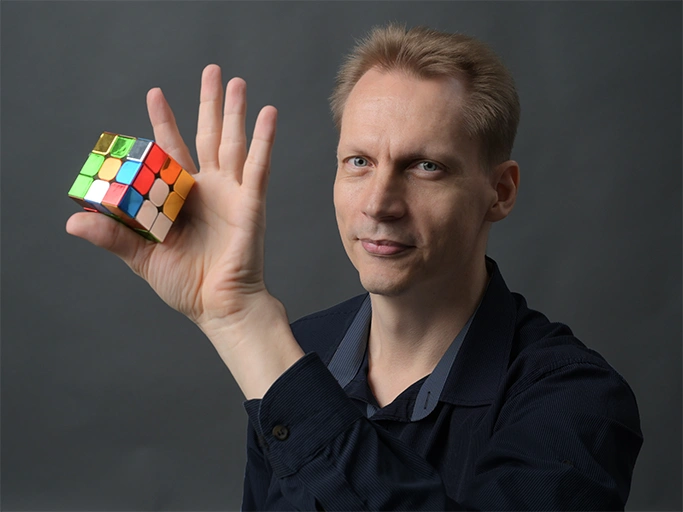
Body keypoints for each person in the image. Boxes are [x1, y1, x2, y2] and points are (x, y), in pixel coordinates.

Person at [66, 24, 643, 510]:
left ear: (500, 191)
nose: (378, 203)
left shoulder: (577, 401)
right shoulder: (298, 351)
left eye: (425, 167)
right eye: (359, 161)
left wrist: (244, 325)